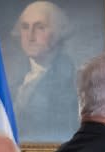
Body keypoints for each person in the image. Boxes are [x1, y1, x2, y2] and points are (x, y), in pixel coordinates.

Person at [9, 1, 79, 142]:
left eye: (40, 27)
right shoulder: (15, 76)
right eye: (25, 27)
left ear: (58, 32)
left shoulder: (70, 81)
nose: (30, 36)